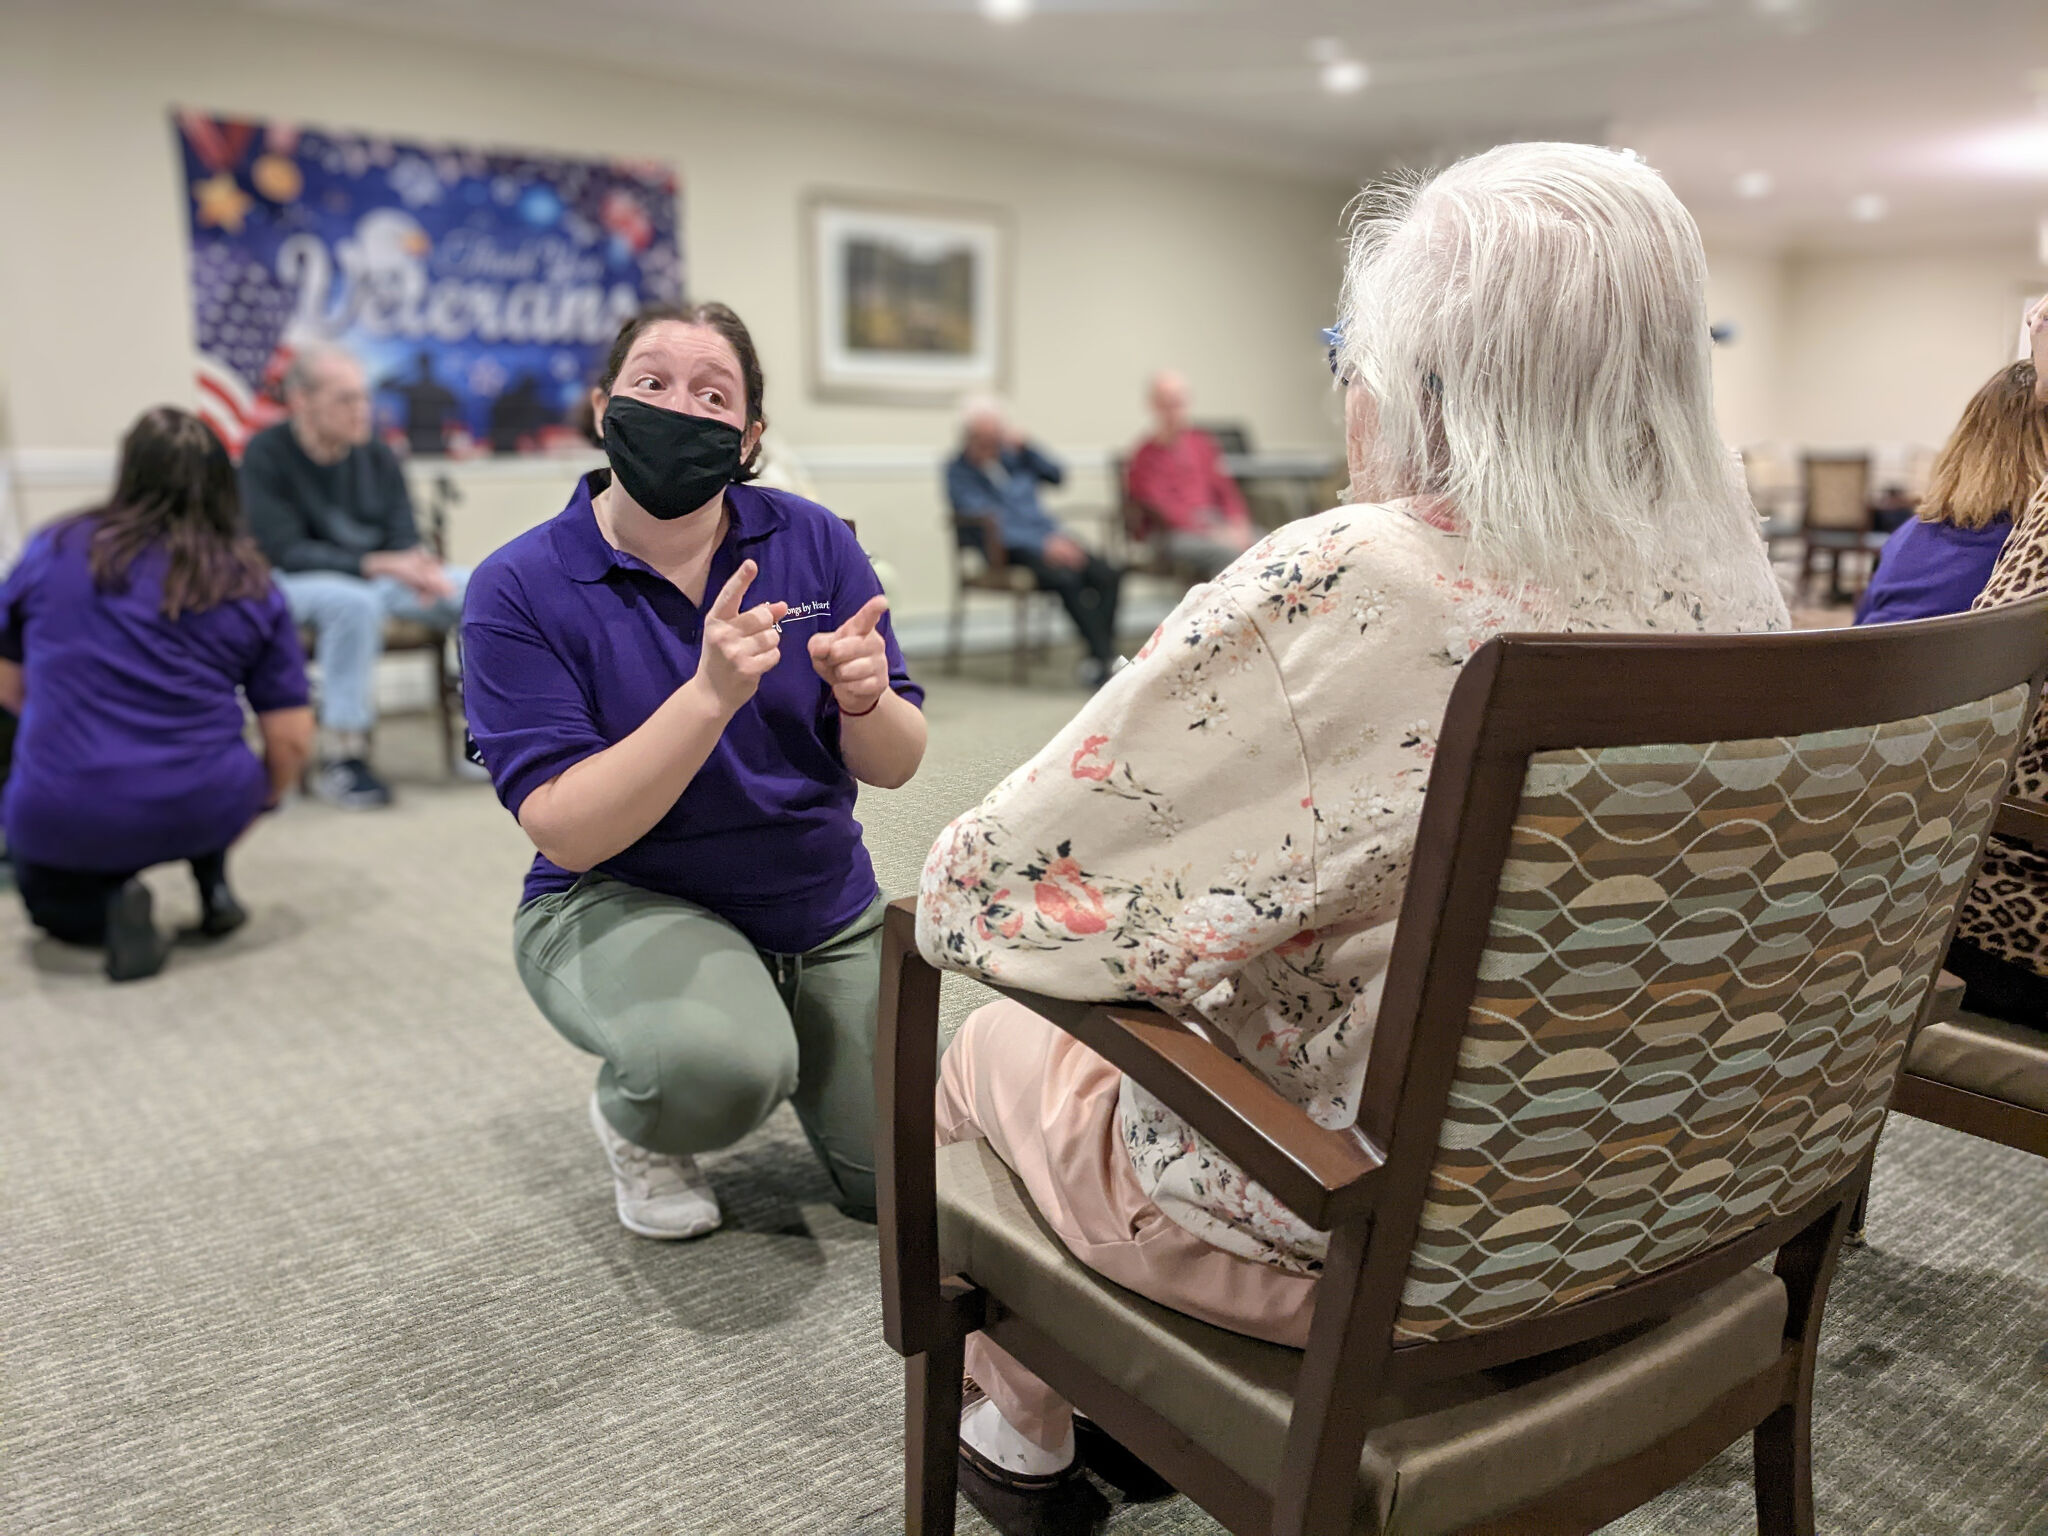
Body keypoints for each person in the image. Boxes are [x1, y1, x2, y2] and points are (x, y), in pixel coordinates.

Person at [913, 142, 1789, 1531]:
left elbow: (979, 896)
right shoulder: (1743, 598)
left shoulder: (1363, 578)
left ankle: (1027, 1426)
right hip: (1659, 1196)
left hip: (1374, 1244)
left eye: (1354, 351)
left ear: (1428, 377)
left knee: (982, 1043)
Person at [463, 302, 927, 1241]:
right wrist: (707, 696)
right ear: (604, 407)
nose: (680, 407)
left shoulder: (812, 539)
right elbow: (567, 825)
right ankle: (640, 1118)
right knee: (717, 1075)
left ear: (749, 437)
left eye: (713, 394)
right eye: (651, 383)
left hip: (821, 906)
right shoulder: (518, 586)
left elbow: (898, 765)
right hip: (625, 897)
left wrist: (867, 701)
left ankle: (781, 1023)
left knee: (909, 1182)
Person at [0, 408, 312, 981]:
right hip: (205, 799)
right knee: (203, 751)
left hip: (66, 801)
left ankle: (107, 910)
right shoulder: (250, 580)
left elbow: (8, 686)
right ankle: (212, 884)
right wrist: (261, 801)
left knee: (49, 904)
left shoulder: (54, 548)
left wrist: (55, 735)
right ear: (225, 485)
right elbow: (290, 737)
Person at [240, 345, 469, 809]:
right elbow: (284, 549)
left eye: (364, 398)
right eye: (345, 400)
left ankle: (491, 735)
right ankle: (343, 757)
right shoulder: (266, 454)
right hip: (292, 580)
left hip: (375, 577)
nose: (361, 411)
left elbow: (402, 531)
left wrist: (420, 568)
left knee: (480, 589)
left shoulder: (376, 453)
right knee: (351, 603)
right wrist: (380, 563)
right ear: (301, 400)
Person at [1857, 305, 2048, 625]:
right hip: (1969, 674)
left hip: (1860, 669)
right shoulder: (2027, 551)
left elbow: (1860, 627)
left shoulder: (1908, 533)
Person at [945, 400, 1123, 686]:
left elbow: (1057, 475)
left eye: (996, 435)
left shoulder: (1015, 457)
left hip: (1050, 536)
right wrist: (1044, 546)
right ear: (969, 437)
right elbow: (992, 522)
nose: (992, 443)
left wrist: (1028, 447)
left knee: (1107, 572)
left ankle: (1099, 658)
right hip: (1008, 550)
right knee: (1066, 578)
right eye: (985, 437)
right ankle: (1107, 658)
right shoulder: (958, 471)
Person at [1124, 370, 1257, 579]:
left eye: (1179, 402)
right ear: (1154, 406)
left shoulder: (1202, 443)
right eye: (1168, 403)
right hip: (1173, 534)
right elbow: (1163, 510)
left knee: (1266, 544)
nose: (1175, 410)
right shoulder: (1144, 456)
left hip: (1216, 522)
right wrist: (1213, 532)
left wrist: (1237, 522)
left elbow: (1225, 490)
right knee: (1228, 554)